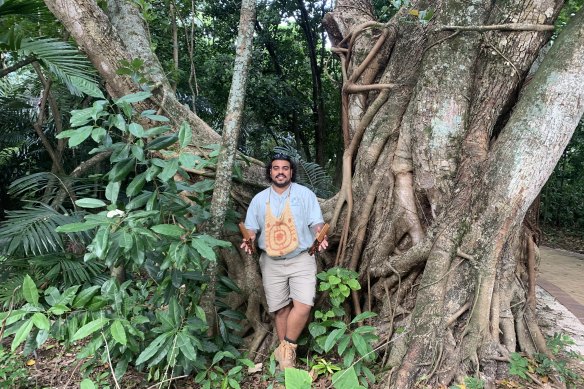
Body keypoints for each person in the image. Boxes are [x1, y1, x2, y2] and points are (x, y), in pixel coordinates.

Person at [240, 152, 328, 370]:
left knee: (304, 305)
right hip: (271, 262)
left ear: (291, 172)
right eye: (276, 168)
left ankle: (286, 347)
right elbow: (251, 228)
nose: (280, 172)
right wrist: (249, 238)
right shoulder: (259, 200)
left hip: (301, 258)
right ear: (270, 172)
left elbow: (317, 223)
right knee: (280, 309)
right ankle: (285, 360)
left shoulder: (305, 194)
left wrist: (321, 234)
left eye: (285, 168)